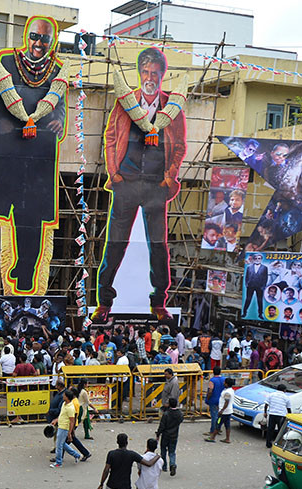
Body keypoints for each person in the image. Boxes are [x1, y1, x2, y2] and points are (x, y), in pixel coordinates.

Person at [93, 47, 186, 322]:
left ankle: (159, 302)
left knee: (158, 245)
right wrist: (114, 172)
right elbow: (110, 138)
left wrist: (170, 174)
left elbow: (179, 146)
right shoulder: (125, 102)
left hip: (157, 186)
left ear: (162, 75)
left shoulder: (173, 106)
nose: (149, 77)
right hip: (127, 183)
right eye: (145, 72)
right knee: (115, 243)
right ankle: (104, 302)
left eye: (155, 73)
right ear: (139, 73)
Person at [0, 16, 66, 293]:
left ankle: (26, 269)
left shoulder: (57, 70)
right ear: (28, 37)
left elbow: (60, 104)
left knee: (34, 217)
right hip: (8, 149)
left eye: (45, 39)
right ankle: (15, 265)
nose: (38, 44)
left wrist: (59, 120)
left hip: (40, 154)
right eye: (35, 37)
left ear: (51, 43)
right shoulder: (6, 63)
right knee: (8, 212)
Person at [50, 389, 82, 467]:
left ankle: (58, 462)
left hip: (64, 428)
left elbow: (72, 421)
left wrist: (69, 432)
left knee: (59, 445)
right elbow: (62, 415)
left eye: (64, 395)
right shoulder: (64, 404)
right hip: (61, 425)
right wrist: (56, 420)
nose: (63, 396)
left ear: (67, 397)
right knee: (62, 444)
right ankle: (76, 455)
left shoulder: (70, 408)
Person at [156, 397, 183, 476]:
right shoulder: (179, 414)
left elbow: (162, 425)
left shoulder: (166, 414)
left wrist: (158, 434)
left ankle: (164, 466)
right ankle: (172, 464)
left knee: (163, 450)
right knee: (172, 452)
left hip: (166, 435)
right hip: (174, 435)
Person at [263, 383, 293, 448]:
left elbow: (266, 404)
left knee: (270, 429)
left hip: (272, 414)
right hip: (281, 415)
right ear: (284, 390)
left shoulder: (271, 395)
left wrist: (265, 412)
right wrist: (290, 416)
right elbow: (288, 408)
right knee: (281, 431)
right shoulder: (286, 397)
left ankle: (268, 444)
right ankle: (279, 444)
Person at [207, 377, 235, 443]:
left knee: (218, 424)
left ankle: (212, 437)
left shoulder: (227, 392)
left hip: (224, 412)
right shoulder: (230, 390)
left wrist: (221, 410)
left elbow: (226, 402)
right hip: (228, 411)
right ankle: (227, 438)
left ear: (227, 384)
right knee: (227, 425)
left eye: (225, 382)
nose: (223, 383)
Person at [243, 253, 268, 320]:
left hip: (259, 287)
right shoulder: (249, 267)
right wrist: (246, 284)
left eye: (259, 258)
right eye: (256, 258)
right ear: (253, 259)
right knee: (248, 299)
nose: (257, 260)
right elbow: (247, 276)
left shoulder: (265, 268)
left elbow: (265, 278)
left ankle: (260, 314)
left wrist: (263, 286)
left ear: (261, 259)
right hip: (250, 286)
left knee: (260, 301)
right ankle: (244, 312)